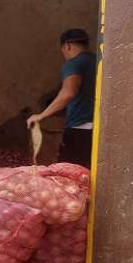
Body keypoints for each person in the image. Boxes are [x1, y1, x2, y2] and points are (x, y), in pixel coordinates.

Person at [27, 29, 97, 169]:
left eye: (63, 50)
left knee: (68, 175)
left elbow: (68, 92)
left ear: (68, 46)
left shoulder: (73, 63)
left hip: (79, 130)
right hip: (97, 130)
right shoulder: (97, 61)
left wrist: (41, 115)